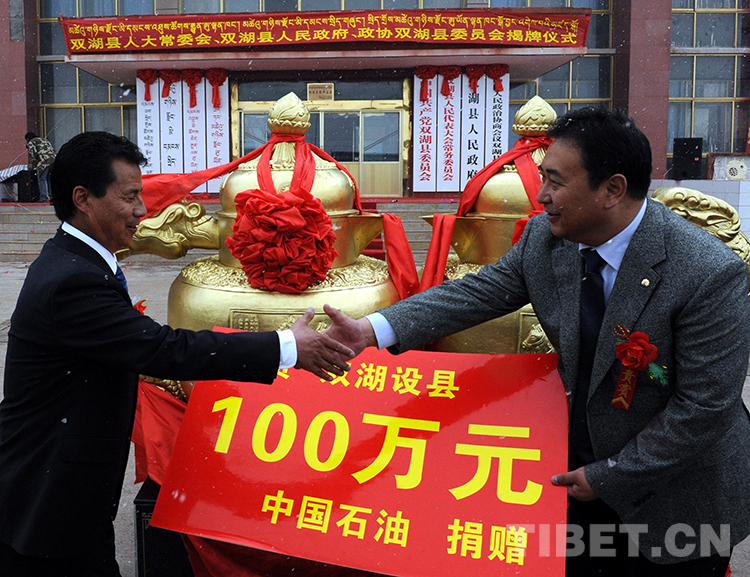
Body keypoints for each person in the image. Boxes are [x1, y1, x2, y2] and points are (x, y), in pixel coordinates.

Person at [323, 106, 750, 576]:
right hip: (577, 482)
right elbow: (475, 293)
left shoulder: (706, 272)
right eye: (543, 177)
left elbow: (705, 407)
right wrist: (370, 330)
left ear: (613, 189)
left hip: (679, 499)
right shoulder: (547, 240)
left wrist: (610, 475)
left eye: (555, 182)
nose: (542, 195)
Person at [0, 131, 355, 576]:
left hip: (69, 492)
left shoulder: (75, 261)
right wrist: (286, 346)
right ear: (83, 199)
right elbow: (162, 349)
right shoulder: (72, 281)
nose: (142, 210)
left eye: (140, 195)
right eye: (129, 197)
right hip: (45, 500)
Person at [24, 131, 56, 202]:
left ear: (28, 139)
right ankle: (52, 197)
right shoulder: (44, 140)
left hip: (44, 162)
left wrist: (32, 164)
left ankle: (43, 198)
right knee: (50, 179)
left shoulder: (31, 142)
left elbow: (33, 154)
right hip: (53, 161)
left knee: (41, 179)